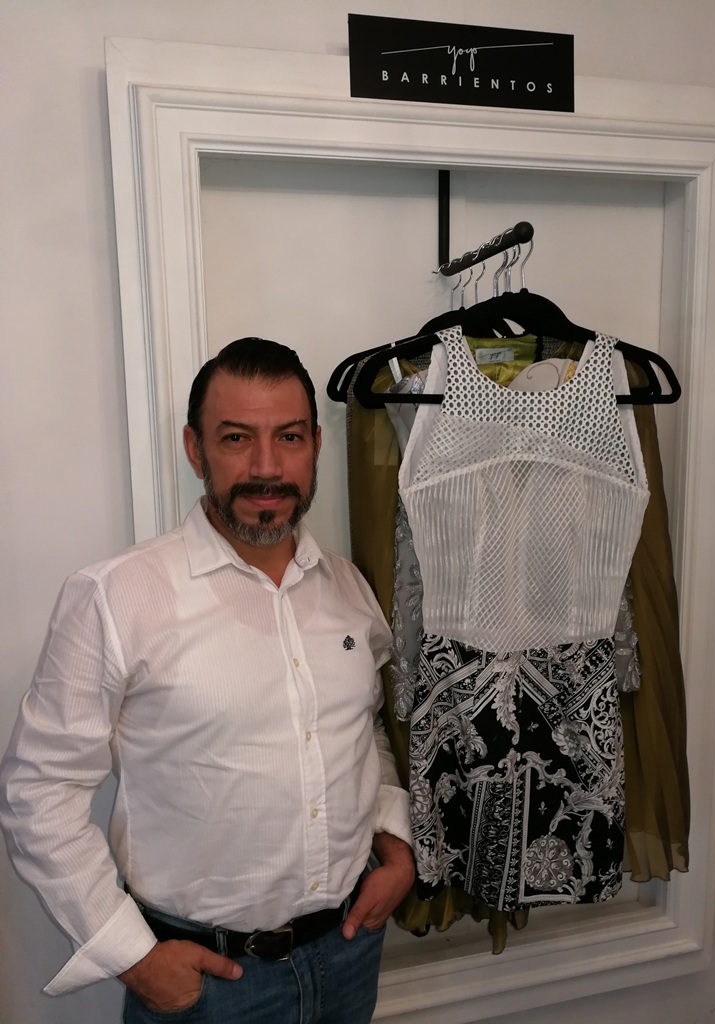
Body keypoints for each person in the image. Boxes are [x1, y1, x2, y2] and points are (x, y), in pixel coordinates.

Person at [0, 337, 414, 1024]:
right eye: (236, 438)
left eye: (288, 437)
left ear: (315, 445)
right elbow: (38, 792)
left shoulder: (347, 587)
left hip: (349, 951)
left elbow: (359, 727)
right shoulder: (115, 597)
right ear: (196, 450)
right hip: (209, 987)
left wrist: (393, 841)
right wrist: (134, 958)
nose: (266, 467)